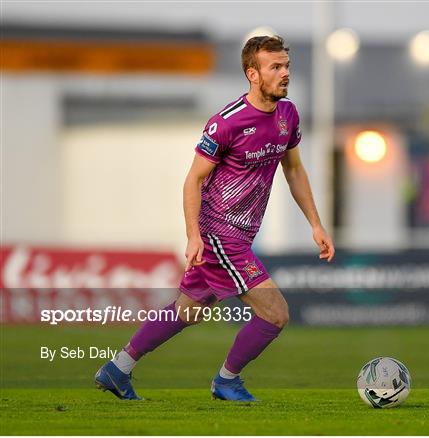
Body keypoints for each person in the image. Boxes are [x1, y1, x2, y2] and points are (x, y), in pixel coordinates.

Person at [95, 35, 335, 402]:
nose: (285, 73)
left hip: (240, 236)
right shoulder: (226, 122)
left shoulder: (288, 115)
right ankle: (226, 381)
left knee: (187, 310)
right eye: (276, 67)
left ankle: (118, 368)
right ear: (252, 74)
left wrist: (315, 224)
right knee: (275, 313)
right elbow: (193, 179)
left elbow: (295, 170)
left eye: (286, 65)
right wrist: (194, 236)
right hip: (221, 235)